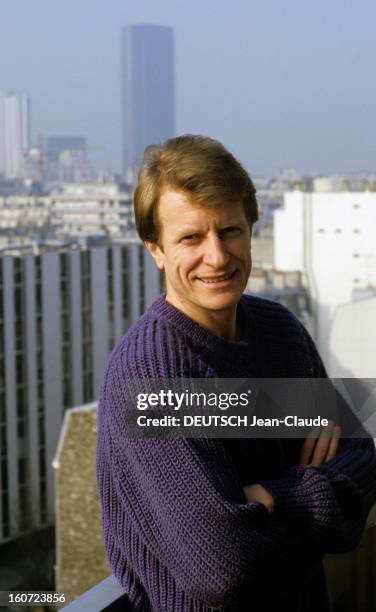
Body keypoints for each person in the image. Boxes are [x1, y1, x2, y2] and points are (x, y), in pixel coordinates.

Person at [96, 135, 376, 611]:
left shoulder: (279, 332)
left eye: (230, 231)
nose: (218, 256)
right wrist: (317, 502)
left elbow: (363, 461)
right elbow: (223, 571)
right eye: (190, 238)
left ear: (250, 230)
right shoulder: (153, 376)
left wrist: (268, 496)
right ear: (155, 250)